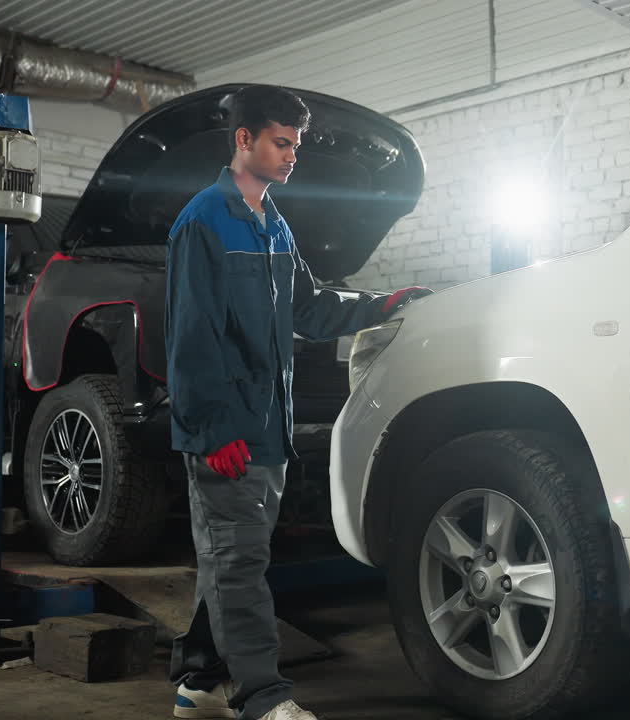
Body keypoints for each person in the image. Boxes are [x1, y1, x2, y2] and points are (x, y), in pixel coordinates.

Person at [164, 84, 428, 720]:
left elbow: (308, 308)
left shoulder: (274, 224)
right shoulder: (203, 221)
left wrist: (380, 305)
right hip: (226, 431)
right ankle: (263, 699)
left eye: (295, 145)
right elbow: (191, 337)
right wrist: (212, 427)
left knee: (231, 560)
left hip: (269, 429)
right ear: (243, 140)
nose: (291, 156)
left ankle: (198, 685)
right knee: (240, 561)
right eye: (281, 142)